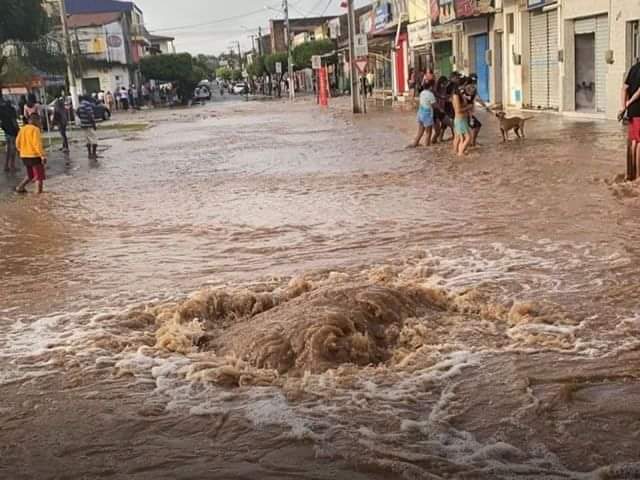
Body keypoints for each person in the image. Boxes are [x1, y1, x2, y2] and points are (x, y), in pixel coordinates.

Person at [15, 113, 47, 194]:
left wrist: (21, 151)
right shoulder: (35, 129)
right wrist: (42, 155)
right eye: (39, 121)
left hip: (24, 155)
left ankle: (20, 187)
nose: (40, 123)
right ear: (36, 120)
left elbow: (17, 143)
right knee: (39, 177)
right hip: (34, 156)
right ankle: (38, 195)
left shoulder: (22, 129)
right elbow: (37, 144)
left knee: (30, 175)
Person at [621, 59, 640, 180]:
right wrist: (629, 102)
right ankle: (638, 175)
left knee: (633, 141)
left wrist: (623, 107)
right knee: (639, 143)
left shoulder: (633, 68)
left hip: (632, 112)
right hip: (639, 109)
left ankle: (631, 174)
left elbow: (624, 88)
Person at [410, 80, 436, 148]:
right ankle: (426, 147)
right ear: (430, 87)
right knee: (428, 132)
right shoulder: (431, 94)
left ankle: (415, 143)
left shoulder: (422, 93)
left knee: (420, 131)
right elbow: (434, 105)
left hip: (420, 113)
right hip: (427, 115)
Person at [451, 82, 473, 157]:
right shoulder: (456, 96)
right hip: (460, 120)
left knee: (458, 137)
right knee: (468, 137)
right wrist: (468, 107)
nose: (464, 87)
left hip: (461, 119)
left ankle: (456, 152)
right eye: (463, 85)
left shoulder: (460, 95)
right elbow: (458, 110)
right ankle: (460, 153)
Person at [0, 94, 20, 172]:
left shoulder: (1, 109)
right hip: (12, 130)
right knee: (13, 148)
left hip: (6, 130)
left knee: (8, 148)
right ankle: (12, 165)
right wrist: (18, 130)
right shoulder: (11, 109)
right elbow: (14, 121)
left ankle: (6, 165)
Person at [77, 95, 98, 159]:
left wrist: (82, 119)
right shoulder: (87, 105)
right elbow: (90, 115)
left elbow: (77, 112)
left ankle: (89, 154)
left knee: (87, 140)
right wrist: (93, 123)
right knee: (94, 139)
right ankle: (94, 154)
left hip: (84, 125)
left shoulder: (80, 105)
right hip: (89, 125)